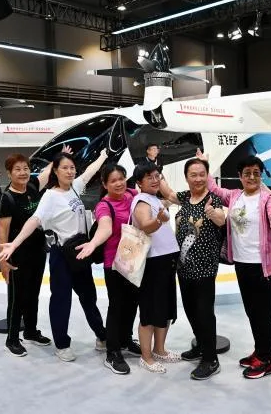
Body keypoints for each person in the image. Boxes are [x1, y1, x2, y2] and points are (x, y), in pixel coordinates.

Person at [0, 149, 109, 363]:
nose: (70, 171)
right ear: (55, 172)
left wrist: (104, 156)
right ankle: (62, 344)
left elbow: (89, 172)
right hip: (62, 255)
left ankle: (102, 336)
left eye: (72, 167)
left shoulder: (75, 187)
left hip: (81, 252)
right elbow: (34, 220)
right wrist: (14, 243)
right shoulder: (49, 196)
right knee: (61, 300)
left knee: (89, 297)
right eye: (64, 168)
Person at [200, 150, 271, 379]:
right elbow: (214, 189)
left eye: (256, 173)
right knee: (251, 311)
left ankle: (266, 359)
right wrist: (206, 165)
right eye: (247, 173)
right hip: (241, 262)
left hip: (262, 266)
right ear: (240, 176)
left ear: (261, 176)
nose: (252, 177)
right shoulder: (235, 196)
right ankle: (259, 351)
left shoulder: (266, 199)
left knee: (263, 314)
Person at [158, 158, 225, 380]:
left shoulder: (213, 199)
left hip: (205, 269)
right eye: (193, 175)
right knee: (190, 310)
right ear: (186, 177)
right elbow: (168, 193)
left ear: (208, 176)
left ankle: (211, 359)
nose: (198, 179)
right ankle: (201, 346)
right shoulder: (185, 197)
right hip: (184, 267)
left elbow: (221, 220)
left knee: (204, 313)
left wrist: (213, 213)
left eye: (201, 174)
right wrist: (156, 170)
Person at [76, 164, 142, 375]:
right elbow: (105, 228)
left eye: (121, 178)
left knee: (132, 303)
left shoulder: (132, 194)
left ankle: (125, 340)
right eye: (113, 181)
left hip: (134, 259)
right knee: (117, 307)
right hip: (114, 264)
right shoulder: (103, 206)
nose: (119, 183)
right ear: (104, 184)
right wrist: (93, 243)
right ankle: (112, 352)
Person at [0, 153, 53, 357]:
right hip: (17, 256)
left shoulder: (32, 187)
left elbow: (47, 172)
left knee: (33, 294)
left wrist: (60, 157)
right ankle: (12, 339)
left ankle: (30, 331)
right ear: (9, 173)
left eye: (26, 168)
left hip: (37, 251)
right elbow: (2, 233)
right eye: (17, 169)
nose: (23, 173)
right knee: (17, 298)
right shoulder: (7, 198)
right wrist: (3, 262)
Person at [130, 162, 181, 374]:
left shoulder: (154, 199)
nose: (154, 180)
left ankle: (159, 349)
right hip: (153, 263)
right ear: (139, 182)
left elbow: (170, 197)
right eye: (149, 177)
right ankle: (147, 357)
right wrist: (158, 221)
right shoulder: (142, 200)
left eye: (157, 176)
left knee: (165, 309)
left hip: (166, 261)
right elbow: (145, 225)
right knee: (150, 312)